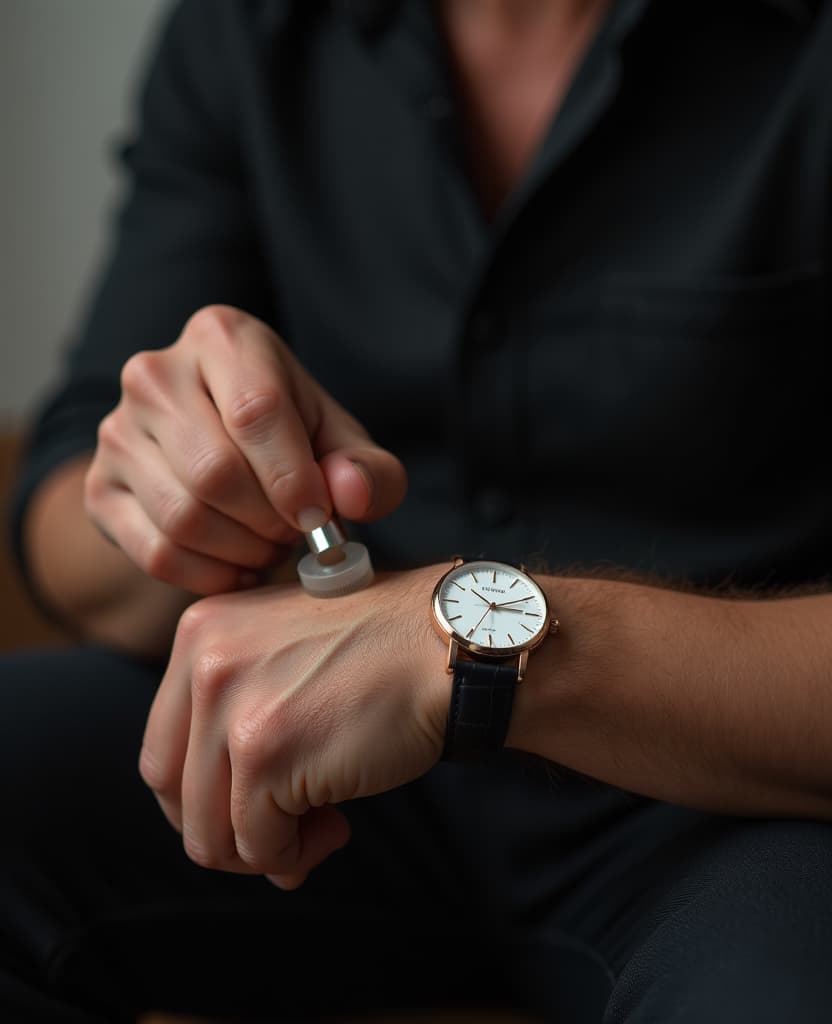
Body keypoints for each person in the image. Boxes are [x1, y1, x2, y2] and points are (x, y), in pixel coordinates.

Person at [3, 0, 832, 1020]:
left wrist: (463, 651)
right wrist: (166, 497)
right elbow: (64, 521)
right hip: (327, 768)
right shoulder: (244, 30)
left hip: (734, 799)